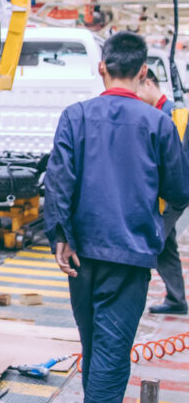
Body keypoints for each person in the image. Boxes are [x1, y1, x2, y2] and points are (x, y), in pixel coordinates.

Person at [44, 32, 189, 403]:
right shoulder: (159, 124)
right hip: (129, 254)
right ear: (143, 71)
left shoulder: (75, 116)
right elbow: (179, 191)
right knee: (111, 351)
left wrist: (60, 236)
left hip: (80, 255)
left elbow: (58, 180)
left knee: (93, 345)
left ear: (101, 67)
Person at [137, 67, 187, 314]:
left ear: (149, 84)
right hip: (166, 192)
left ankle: (129, 298)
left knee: (151, 240)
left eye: (138, 89)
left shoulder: (172, 114)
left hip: (173, 194)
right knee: (166, 246)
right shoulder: (157, 113)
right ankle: (177, 300)